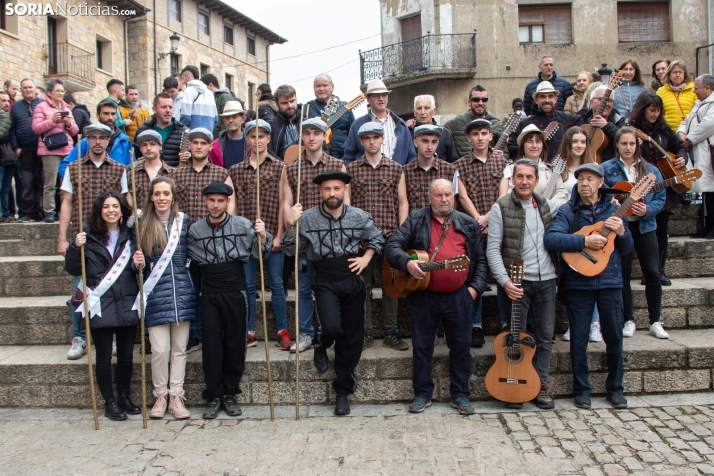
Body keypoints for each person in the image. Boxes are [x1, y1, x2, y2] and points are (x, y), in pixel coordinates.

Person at [284, 171, 385, 416]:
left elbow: (378, 238)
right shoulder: (306, 218)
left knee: (351, 337)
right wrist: (290, 226)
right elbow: (290, 250)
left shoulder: (359, 216)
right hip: (325, 278)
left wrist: (366, 257)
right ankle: (321, 343)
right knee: (330, 327)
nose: (332, 193)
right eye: (327, 189)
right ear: (320, 191)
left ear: (345, 190)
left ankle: (342, 391)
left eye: (337, 188)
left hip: (351, 276)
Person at [385, 178, 487, 415]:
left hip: (459, 296)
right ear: (429, 198)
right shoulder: (417, 219)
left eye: (448, 195)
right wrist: (408, 264)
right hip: (425, 296)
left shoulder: (468, 224)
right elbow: (392, 247)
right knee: (422, 347)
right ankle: (422, 394)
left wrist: (474, 289)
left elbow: (481, 261)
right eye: (438, 195)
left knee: (461, 347)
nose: (444, 199)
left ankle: (460, 395)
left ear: (454, 197)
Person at [544, 163, 633, 409]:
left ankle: (615, 388)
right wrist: (584, 240)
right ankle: (581, 389)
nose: (585, 183)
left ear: (600, 182)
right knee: (579, 339)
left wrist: (623, 231)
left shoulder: (614, 210)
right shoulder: (567, 211)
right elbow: (551, 239)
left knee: (614, 337)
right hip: (578, 283)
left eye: (590, 179)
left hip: (610, 283)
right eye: (581, 179)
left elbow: (627, 249)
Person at [187, 181, 271, 419]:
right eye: (211, 200)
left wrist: (262, 236)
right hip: (210, 291)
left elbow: (259, 253)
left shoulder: (244, 225)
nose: (215, 205)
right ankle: (213, 394)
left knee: (235, 343)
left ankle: (230, 392)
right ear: (205, 201)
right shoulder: (195, 230)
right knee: (212, 345)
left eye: (220, 201)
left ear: (227, 202)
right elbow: (189, 260)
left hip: (236, 289)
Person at [487, 159, 563, 409]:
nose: (524, 181)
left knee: (544, 337)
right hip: (517, 282)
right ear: (513, 179)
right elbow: (493, 250)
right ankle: (514, 384)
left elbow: (575, 210)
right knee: (514, 337)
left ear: (537, 181)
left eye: (529, 177)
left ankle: (539, 386)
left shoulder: (547, 205)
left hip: (547, 282)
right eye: (519, 177)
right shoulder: (501, 207)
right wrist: (505, 281)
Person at [65, 191, 140, 420]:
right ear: (100, 211)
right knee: (104, 356)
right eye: (106, 206)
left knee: (126, 355)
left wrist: (140, 263)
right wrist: (74, 247)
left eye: (115, 206)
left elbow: (137, 268)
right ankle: (109, 401)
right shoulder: (87, 236)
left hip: (127, 299)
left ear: (121, 210)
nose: (111, 210)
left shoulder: (131, 235)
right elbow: (73, 270)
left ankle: (125, 396)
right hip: (101, 302)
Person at [57, 123, 128, 360]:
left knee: (112, 286)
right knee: (80, 288)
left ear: (108, 140)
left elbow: (125, 204)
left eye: (102, 138)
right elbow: (66, 202)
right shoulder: (73, 167)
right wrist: (62, 238)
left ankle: (113, 334)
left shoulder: (119, 169)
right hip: (84, 237)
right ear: (87, 140)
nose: (98, 142)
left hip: (111, 238)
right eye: (93, 138)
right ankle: (79, 336)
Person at [280, 117, 347, 353]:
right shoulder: (291, 168)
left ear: (324, 136)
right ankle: (307, 333)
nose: (311, 138)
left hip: (330, 239)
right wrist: (288, 226)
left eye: (316, 133)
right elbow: (286, 203)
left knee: (331, 287)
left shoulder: (337, 165)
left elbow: (346, 204)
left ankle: (333, 331)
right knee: (304, 287)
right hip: (304, 239)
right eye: (306, 133)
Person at [133, 176, 196, 419]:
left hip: (181, 291)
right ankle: (160, 396)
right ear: (150, 196)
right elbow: (133, 261)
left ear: (173, 197)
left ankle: (176, 397)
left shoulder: (184, 221)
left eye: (166, 194)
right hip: (155, 293)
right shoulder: (140, 224)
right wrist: (134, 263)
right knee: (159, 349)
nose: (161, 198)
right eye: (157, 193)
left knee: (180, 349)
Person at [228, 119, 292, 350]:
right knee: (247, 285)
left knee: (276, 283)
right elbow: (232, 208)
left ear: (268, 138)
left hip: (273, 235)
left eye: (262, 136)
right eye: (253, 136)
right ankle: (248, 330)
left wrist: (279, 235)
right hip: (246, 240)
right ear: (247, 139)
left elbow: (285, 203)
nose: (257, 140)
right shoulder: (235, 170)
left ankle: (282, 329)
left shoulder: (280, 168)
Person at [346, 122, 409, 350]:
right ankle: (365, 332)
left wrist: (402, 233)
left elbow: (403, 202)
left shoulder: (396, 168)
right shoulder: (351, 169)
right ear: (361, 141)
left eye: (376, 137)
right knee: (363, 286)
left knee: (391, 286)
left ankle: (391, 332)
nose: (371, 141)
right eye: (367, 138)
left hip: (390, 235)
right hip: (362, 240)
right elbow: (348, 204)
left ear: (383, 139)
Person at [171, 127, 234, 353]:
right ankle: (194, 333)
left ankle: (217, 331)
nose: (198, 146)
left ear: (210, 146)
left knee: (215, 288)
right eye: (194, 142)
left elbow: (231, 205)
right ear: (189, 145)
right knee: (190, 289)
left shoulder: (221, 173)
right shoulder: (176, 174)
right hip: (187, 243)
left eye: (203, 142)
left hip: (215, 241)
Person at [602, 127, 667, 339]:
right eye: (624, 144)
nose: (628, 147)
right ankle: (628, 319)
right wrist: (609, 201)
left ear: (637, 144)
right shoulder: (607, 168)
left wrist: (648, 210)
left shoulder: (651, 170)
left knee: (652, 273)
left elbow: (660, 198)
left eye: (631, 143)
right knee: (624, 274)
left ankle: (655, 320)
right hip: (620, 229)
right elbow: (600, 192)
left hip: (645, 227)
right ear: (617, 145)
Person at [455, 119, 509, 345]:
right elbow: (462, 196)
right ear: (468, 138)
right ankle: (475, 324)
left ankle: (508, 324)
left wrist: (489, 217)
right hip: (472, 227)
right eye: (475, 133)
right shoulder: (460, 164)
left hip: (498, 225)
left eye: (484, 133)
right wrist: (478, 219)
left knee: (503, 276)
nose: (480, 137)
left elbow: (504, 193)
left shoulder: (502, 160)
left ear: (490, 136)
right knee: (474, 276)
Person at [629, 92, 688, 285]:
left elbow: (680, 146)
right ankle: (648, 271)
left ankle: (659, 270)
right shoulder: (632, 129)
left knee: (662, 229)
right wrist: (634, 146)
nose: (655, 114)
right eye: (651, 110)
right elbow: (622, 150)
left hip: (664, 183)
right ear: (643, 109)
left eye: (658, 111)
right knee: (645, 230)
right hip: (641, 182)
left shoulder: (664, 129)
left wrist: (681, 157)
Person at [555, 127, 602, 343]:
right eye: (575, 141)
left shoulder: (595, 167)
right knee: (567, 279)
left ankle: (594, 324)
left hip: (590, 227)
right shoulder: (559, 168)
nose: (579, 145)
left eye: (583, 141)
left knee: (591, 275)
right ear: (568, 143)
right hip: (566, 226)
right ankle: (572, 323)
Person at [30, 79, 78, 223]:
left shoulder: (67, 108)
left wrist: (69, 123)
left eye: (62, 91)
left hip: (67, 149)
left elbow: (75, 131)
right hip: (49, 150)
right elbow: (36, 128)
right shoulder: (41, 107)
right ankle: (49, 212)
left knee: (67, 183)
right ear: (49, 92)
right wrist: (52, 120)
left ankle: (66, 210)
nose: (60, 93)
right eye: (57, 90)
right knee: (50, 183)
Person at [343, 79, 416, 165]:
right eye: (376, 96)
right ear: (368, 99)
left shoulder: (401, 125)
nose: (381, 99)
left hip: (397, 176)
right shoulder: (357, 125)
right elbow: (349, 157)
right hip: (366, 176)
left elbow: (411, 157)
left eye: (384, 95)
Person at [678, 74, 714, 239]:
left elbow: (708, 124)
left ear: (707, 88)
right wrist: (681, 133)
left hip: (709, 150)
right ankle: (708, 225)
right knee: (707, 190)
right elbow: (686, 120)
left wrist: (690, 139)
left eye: (696, 88)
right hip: (700, 150)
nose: (694, 91)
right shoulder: (699, 103)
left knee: (711, 188)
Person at [60, 100, 132, 178]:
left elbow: (132, 170)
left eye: (113, 114)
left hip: (116, 188)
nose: (110, 117)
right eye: (106, 113)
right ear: (98, 116)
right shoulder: (85, 143)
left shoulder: (125, 143)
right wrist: (78, 182)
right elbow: (64, 166)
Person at [508, 81, 578, 161]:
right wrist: (529, 150)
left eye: (550, 96)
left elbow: (584, 121)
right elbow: (511, 147)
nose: (547, 100)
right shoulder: (525, 123)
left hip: (560, 169)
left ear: (556, 99)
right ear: (536, 100)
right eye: (543, 97)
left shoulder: (565, 118)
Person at [9, 79, 43, 222]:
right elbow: (11, 129)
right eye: (25, 88)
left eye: (30, 87)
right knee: (26, 182)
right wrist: (16, 148)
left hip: (42, 149)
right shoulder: (16, 107)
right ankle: (27, 213)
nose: (28, 90)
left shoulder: (42, 104)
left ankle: (41, 211)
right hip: (24, 151)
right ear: (21, 90)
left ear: (34, 88)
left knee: (41, 180)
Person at [405, 124, 456, 213]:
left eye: (434, 142)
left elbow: (455, 204)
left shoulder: (449, 170)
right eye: (425, 141)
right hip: (415, 225)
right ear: (415, 143)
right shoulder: (405, 171)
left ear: (438, 143)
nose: (429, 147)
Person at [510, 124, 567, 203]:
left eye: (538, 142)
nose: (534, 146)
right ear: (523, 145)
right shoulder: (511, 169)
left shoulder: (552, 170)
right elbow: (509, 194)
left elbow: (561, 193)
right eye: (530, 142)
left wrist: (548, 206)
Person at [444, 85, 505, 158]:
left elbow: (506, 151)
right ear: (469, 102)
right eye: (476, 99)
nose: (480, 103)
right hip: (464, 167)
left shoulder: (497, 124)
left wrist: (501, 155)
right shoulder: (457, 122)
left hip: (490, 167)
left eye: (484, 100)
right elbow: (440, 136)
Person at [306, 74, 355, 159]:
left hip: (343, 158)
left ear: (332, 87)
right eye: (318, 86)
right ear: (313, 88)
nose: (321, 89)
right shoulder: (307, 108)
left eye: (325, 85)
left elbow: (353, 133)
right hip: (316, 160)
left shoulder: (344, 107)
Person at [134, 93, 190, 167]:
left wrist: (190, 157)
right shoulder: (143, 131)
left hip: (174, 176)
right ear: (154, 109)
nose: (168, 110)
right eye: (164, 107)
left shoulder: (184, 131)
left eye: (170, 107)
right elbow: (136, 156)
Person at [575, 85, 626, 162]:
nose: (606, 103)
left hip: (611, 166)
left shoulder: (618, 121)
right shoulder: (582, 119)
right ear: (591, 102)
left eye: (610, 101)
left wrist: (607, 126)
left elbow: (624, 141)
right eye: (601, 99)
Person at [128, 130, 175, 207]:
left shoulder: (174, 173)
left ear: (160, 146)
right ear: (140, 148)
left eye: (152, 144)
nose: (148, 148)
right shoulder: (131, 175)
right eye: (144, 145)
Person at [406, 95, 459, 163]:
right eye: (419, 108)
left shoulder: (444, 133)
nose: (422, 112)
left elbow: (453, 160)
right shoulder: (407, 132)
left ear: (434, 111)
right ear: (414, 111)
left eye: (427, 108)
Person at [657, 60, 697, 132]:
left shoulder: (694, 90)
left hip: (689, 132)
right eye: (674, 72)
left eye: (680, 72)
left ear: (685, 74)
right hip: (668, 134)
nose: (677, 75)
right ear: (669, 74)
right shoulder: (661, 92)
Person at [267, 84, 302, 161]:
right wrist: (282, 166)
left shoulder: (307, 123)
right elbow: (267, 151)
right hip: (279, 170)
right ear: (277, 104)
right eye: (284, 103)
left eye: (292, 101)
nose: (289, 105)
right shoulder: (271, 126)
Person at [208, 101, 246, 169]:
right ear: (223, 119)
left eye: (234, 117)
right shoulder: (215, 146)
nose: (230, 120)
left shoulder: (252, 144)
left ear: (243, 119)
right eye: (227, 117)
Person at [179, 65, 218, 131]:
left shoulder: (188, 91)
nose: (182, 82)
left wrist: (179, 128)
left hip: (193, 135)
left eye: (182, 78)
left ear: (187, 76)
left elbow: (185, 117)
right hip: (208, 134)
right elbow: (216, 118)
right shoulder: (210, 93)